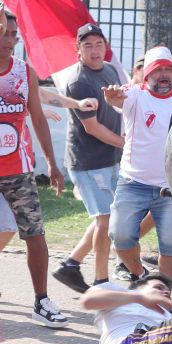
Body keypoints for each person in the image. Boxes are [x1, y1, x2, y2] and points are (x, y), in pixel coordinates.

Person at [0, 8, 68, 327]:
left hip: (18, 171)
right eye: (5, 34)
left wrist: (53, 163)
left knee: (34, 233)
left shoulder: (23, 72)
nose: (11, 40)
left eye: (15, 35)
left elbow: (37, 118)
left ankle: (41, 301)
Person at [52, 25, 128, 293]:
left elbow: (120, 105)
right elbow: (92, 127)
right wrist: (126, 144)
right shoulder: (78, 82)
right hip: (87, 162)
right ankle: (101, 281)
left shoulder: (109, 69)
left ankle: (70, 266)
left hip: (110, 157)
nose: (95, 50)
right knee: (105, 219)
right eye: (88, 46)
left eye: (98, 44)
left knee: (104, 218)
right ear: (78, 51)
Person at [103, 46, 172, 283]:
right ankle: (140, 275)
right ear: (147, 74)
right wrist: (112, 98)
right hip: (133, 183)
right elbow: (118, 98)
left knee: (171, 244)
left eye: (167, 70)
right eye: (157, 70)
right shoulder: (136, 95)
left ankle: (163, 295)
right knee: (120, 236)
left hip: (171, 188)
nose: (163, 75)